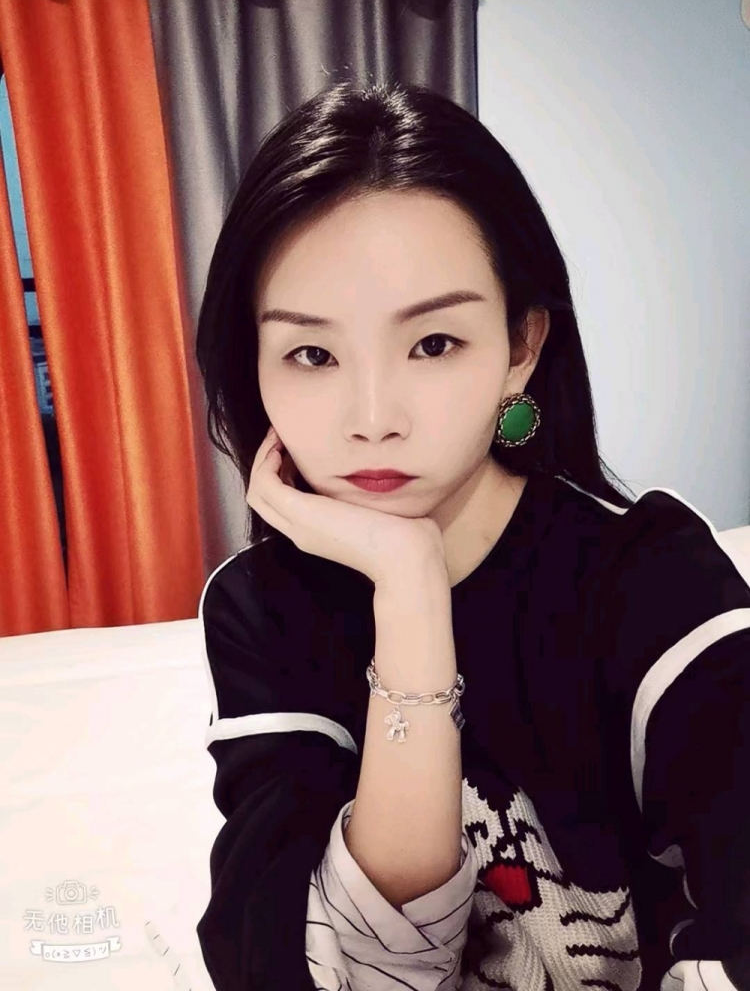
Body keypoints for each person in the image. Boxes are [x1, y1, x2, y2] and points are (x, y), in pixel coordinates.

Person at [193, 80, 750, 991]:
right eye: (312, 354)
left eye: (434, 344)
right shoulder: (261, 608)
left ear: (520, 348)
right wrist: (410, 594)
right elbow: (303, 970)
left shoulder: (649, 576)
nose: (374, 419)